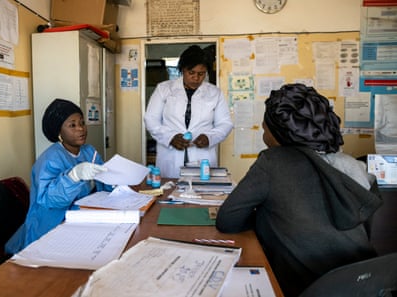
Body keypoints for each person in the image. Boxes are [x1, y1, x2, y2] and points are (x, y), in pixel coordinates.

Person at [215, 84, 383, 297]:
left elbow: (227, 220)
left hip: (308, 287)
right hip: (365, 284)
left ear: (278, 133)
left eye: (265, 126)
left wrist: (264, 214)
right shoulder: (352, 165)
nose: (262, 130)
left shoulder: (274, 161)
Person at [5, 99, 112, 254]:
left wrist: (118, 180)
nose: (81, 129)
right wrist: (73, 176)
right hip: (51, 226)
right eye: (72, 125)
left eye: (82, 123)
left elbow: (104, 183)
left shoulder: (89, 152)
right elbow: (51, 200)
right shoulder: (50, 160)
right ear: (59, 132)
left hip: (81, 219)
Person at [144, 45, 233, 178]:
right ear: (182, 70)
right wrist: (170, 137)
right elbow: (151, 119)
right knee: (169, 191)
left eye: (201, 73)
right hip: (170, 154)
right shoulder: (164, 89)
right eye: (191, 73)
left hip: (202, 155)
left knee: (201, 194)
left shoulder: (215, 93)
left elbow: (225, 123)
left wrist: (209, 137)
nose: (196, 78)